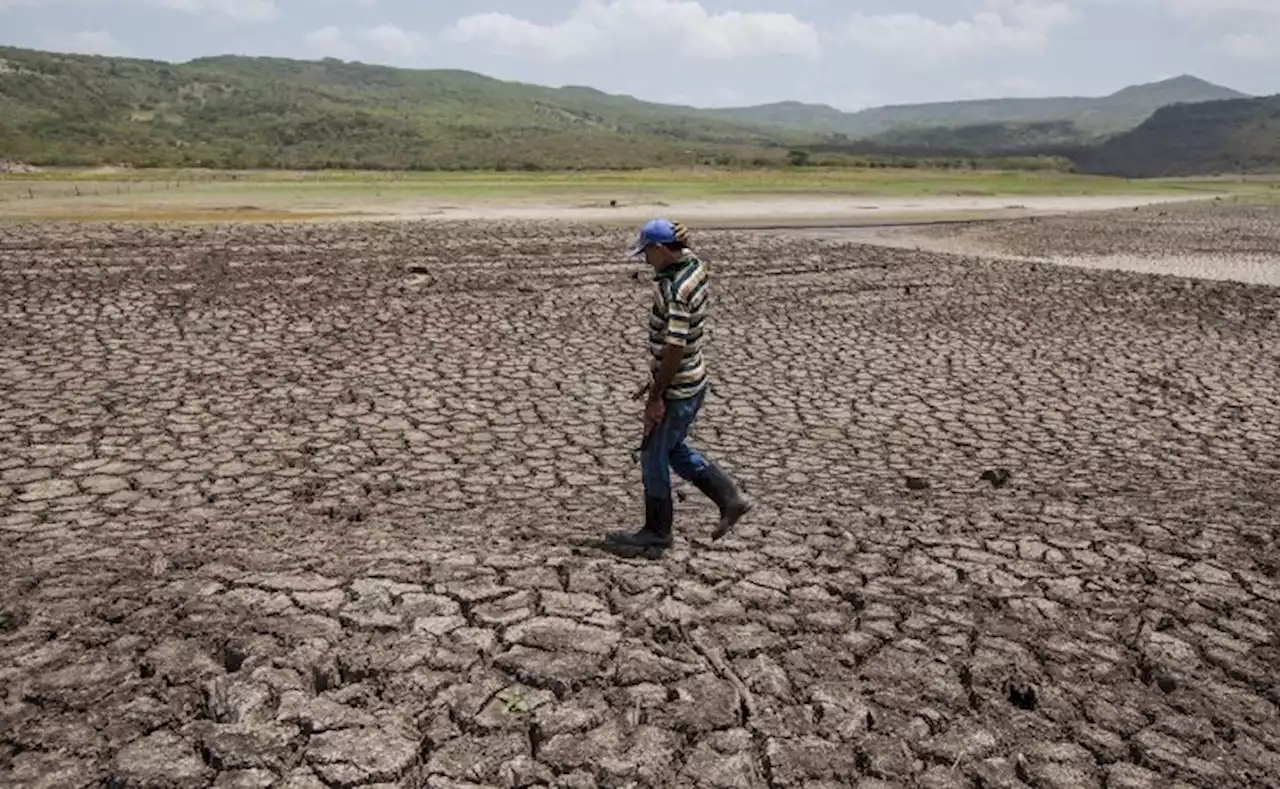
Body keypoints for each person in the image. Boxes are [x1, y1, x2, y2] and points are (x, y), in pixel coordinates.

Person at [609, 218, 753, 550]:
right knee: (672, 449)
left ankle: (658, 532)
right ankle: (729, 498)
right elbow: (675, 348)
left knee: (653, 456)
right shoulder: (695, 268)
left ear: (661, 249)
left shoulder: (675, 290)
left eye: (647, 252)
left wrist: (657, 396)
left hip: (678, 387)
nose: (645, 260)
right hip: (693, 378)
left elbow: (675, 347)